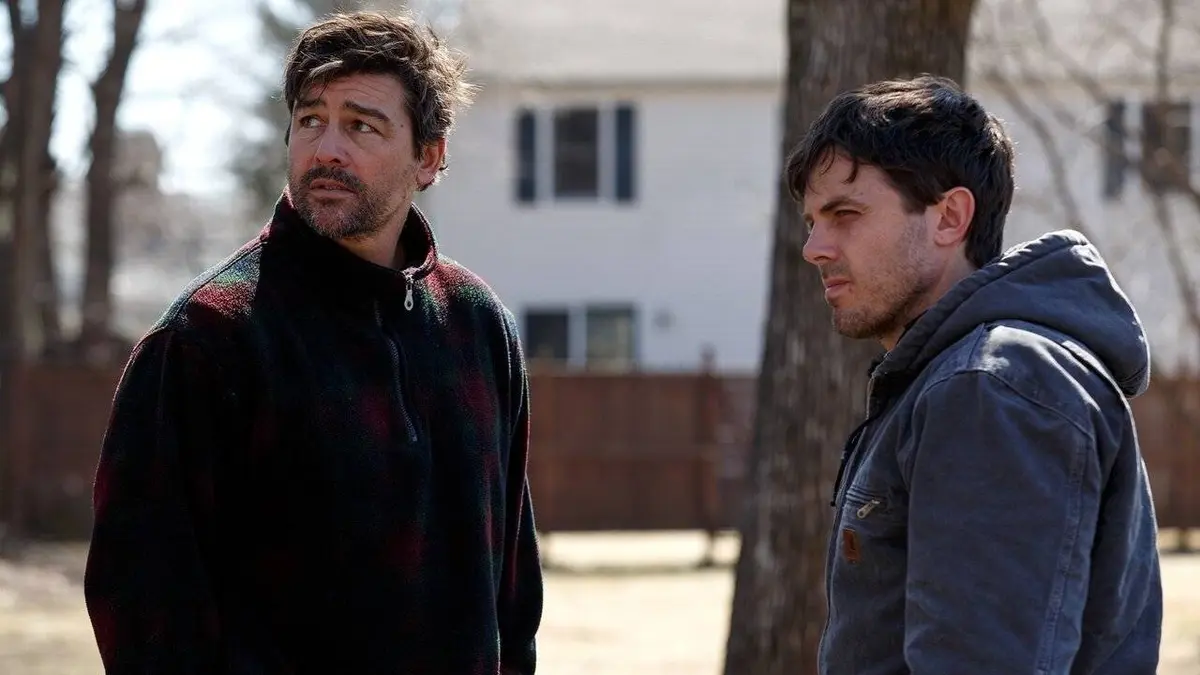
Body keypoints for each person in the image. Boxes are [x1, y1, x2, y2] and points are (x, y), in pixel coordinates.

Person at [83, 11, 543, 674]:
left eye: (361, 125)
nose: (327, 149)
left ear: (429, 156)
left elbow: (513, 590)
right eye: (310, 120)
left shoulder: (478, 325)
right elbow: (144, 605)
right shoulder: (210, 337)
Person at [794, 75, 1162, 673]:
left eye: (845, 214)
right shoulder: (966, 378)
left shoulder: (990, 387)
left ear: (949, 217)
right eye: (812, 221)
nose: (815, 247)